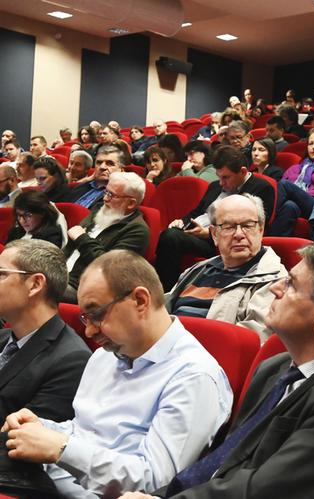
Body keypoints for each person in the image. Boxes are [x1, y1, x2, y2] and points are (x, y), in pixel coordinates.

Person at [119, 241, 314, 498]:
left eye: (291, 285)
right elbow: (225, 461)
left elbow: (267, 490)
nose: (275, 289)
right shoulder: (275, 367)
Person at [4, 250, 233, 497]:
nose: (89, 332)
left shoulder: (194, 377)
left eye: (97, 315)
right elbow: (84, 430)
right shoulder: (105, 356)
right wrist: (42, 428)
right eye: (85, 318)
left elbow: (155, 481)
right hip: (46, 483)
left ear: (140, 301)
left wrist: (61, 448)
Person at [155, 145, 275, 290]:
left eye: (226, 177)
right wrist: (182, 221)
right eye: (219, 177)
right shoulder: (214, 186)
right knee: (169, 232)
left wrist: (209, 234)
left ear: (243, 172)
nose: (221, 183)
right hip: (197, 229)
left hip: (218, 239)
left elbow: (256, 227)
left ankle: (167, 290)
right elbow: (197, 211)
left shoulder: (262, 188)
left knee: (170, 237)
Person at [166, 194, 285, 340]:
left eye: (248, 225)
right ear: (215, 235)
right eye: (229, 227)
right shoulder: (197, 270)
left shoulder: (276, 281)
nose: (239, 234)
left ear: (260, 229)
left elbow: (253, 340)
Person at [0, 240, 90, 423]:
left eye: (1, 274)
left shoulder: (71, 361)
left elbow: (21, 442)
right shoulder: (3, 338)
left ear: (35, 284)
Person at [64, 171, 150, 302]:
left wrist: (82, 238)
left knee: (30, 288)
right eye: (106, 192)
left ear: (131, 203)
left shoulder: (137, 230)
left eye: (112, 195)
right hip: (61, 275)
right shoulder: (100, 210)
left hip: (84, 289)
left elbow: (108, 268)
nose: (105, 199)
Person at [269, 129, 314, 238]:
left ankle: (265, 218)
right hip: (297, 205)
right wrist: (295, 195)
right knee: (290, 206)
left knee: (285, 185)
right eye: (310, 143)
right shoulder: (295, 168)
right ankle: (275, 242)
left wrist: (299, 193)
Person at [65, 144, 124, 209]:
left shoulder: (120, 196)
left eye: (110, 163)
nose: (102, 167)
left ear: (121, 170)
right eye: (99, 163)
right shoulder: (82, 185)